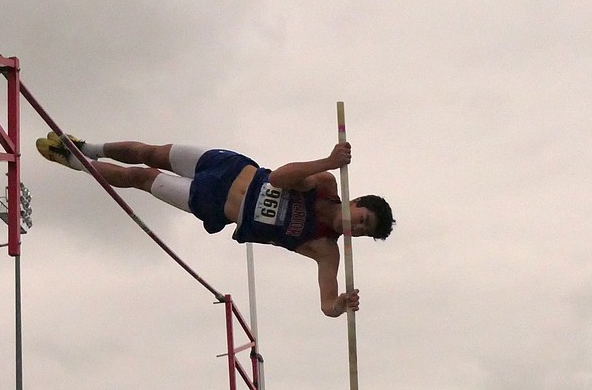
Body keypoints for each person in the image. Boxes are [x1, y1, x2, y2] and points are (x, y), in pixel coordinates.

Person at [35, 132, 394, 318]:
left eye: (363, 231)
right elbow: (282, 176)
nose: (357, 228)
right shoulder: (325, 184)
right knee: (151, 153)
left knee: (141, 178)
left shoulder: (325, 250)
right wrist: (328, 160)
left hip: (214, 205)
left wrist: (340, 305)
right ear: (355, 202)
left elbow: (326, 303)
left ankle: (74, 162)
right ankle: (89, 146)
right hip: (230, 168)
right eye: (362, 219)